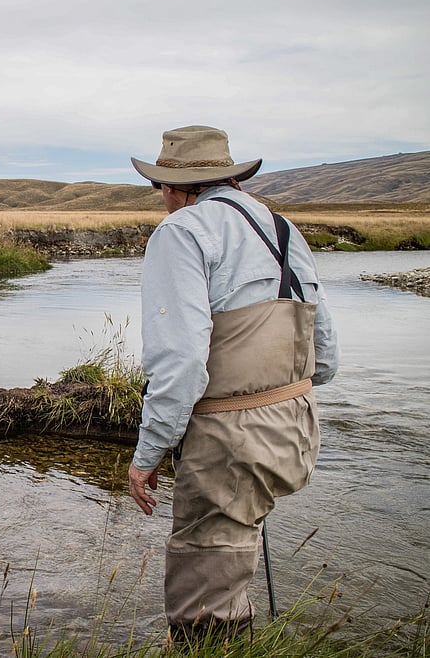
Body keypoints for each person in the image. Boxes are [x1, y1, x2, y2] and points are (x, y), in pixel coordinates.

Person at [126, 125, 339, 643]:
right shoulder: (284, 228)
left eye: (160, 188)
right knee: (233, 555)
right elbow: (325, 355)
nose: (162, 200)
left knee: (203, 592)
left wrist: (148, 453)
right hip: (296, 425)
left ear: (176, 188)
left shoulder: (181, 233)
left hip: (228, 434)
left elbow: (180, 361)